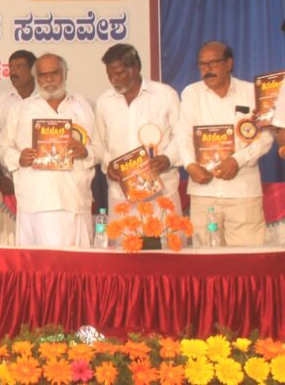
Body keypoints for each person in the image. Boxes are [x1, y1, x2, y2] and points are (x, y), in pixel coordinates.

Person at [0, 53, 98, 247]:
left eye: (54, 73)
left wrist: (86, 152)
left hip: (75, 198)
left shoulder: (82, 106)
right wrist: (18, 158)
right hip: (36, 201)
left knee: (77, 262)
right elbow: (2, 147)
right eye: (43, 75)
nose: (49, 79)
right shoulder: (21, 109)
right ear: (36, 77)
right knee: (38, 262)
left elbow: (100, 148)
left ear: (65, 74)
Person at [176, 40, 271, 246]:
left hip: (243, 191)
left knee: (247, 259)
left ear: (229, 63)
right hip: (204, 190)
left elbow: (266, 137)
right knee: (205, 260)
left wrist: (238, 160)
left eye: (213, 63)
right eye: (202, 64)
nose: (207, 69)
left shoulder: (252, 92)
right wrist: (190, 165)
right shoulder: (191, 93)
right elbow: (183, 134)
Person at [94, 44, 182, 211]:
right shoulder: (104, 102)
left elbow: (182, 135)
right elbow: (99, 143)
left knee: (167, 230)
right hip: (120, 194)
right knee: (123, 230)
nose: (114, 79)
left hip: (162, 193)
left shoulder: (165, 95)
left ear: (136, 68)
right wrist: (108, 164)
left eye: (119, 73)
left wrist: (168, 158)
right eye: (110, 75)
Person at [0, 50, 36, 245]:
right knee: (8, 239)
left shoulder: (45, 101)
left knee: (38, 240)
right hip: (7, 182)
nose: (13, 72)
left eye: (19, 67)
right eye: (10, 67)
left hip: (41, 183)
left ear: (33, 70)